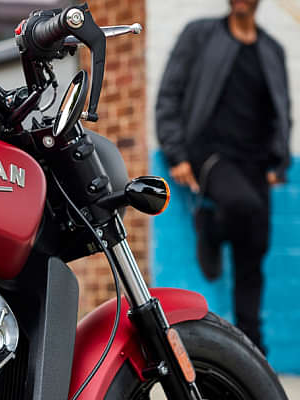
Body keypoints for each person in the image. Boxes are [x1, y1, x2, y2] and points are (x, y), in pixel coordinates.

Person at [156, 0, 292, 354]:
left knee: (254, 254)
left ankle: (254, 348)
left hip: (257, 165)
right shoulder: (200, 35)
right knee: (239, 204)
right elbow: (170, 92)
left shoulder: (271, 49)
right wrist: (176, 152)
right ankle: (210, 228)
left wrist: (279, 162)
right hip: (212, 154)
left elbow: (282, 107)